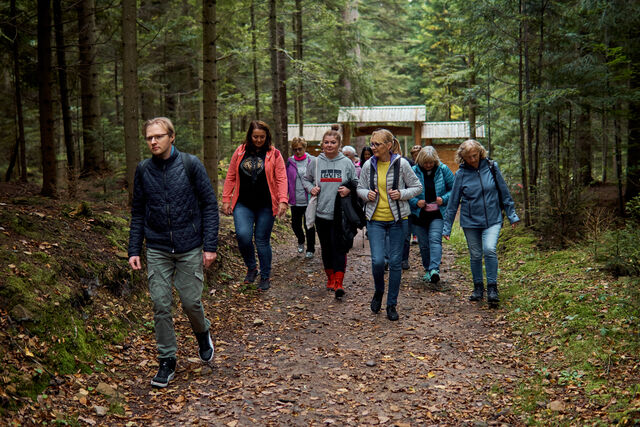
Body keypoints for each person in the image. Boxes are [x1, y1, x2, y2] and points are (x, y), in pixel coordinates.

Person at [128, 117, 219, 388]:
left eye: (158, 136)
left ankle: (202, 332)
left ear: (172, 137)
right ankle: (167, 359)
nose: (153, 141)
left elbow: (209, 206)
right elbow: (138, 212)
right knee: (160, 304)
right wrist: (134, 249)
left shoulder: (191, 164)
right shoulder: (143, 169)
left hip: (189, 246)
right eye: (149, 138)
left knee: (191, 302)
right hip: (156, 248)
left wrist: (210, 245)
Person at [442, 139, 520, 304]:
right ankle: (478, 287)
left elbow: (504, 192)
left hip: (493, 218)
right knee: (476, 255)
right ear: (463, 158)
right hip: (470, 221)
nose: (472, 160)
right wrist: (447, 227)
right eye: (468, 157)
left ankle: (492, 287)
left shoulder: (492, 167)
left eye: (475, 155)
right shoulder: (461, 174)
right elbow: (453, 202)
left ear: (480, 153)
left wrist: (512, 214)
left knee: (489, 249)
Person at [357, 129, 422, 321]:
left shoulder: (401, 164)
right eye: (372, 143)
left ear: (388, 145)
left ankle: (391, 303)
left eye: (377, 144)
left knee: (395, 263)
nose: (372, 147)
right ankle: (378, 291)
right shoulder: (369, 164)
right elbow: (359, 187)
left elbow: (417, 187)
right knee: (377, 261)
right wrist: (366, 194)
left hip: (397, 221)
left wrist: (401, 194)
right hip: (375, 220)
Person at [222, 120, 288, 291]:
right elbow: (230, 176)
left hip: (266, 205)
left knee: (261, 240)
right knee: (243, 236)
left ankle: (265, 276)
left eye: (262, 137)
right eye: (255, 136)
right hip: (243, 203)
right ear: (250, 136)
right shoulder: (240, 151)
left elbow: (281, 178)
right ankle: (252, 267)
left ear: (267, 137)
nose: (258, 140)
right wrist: (226, 199)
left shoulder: (274, 154)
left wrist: (282, 200)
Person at [303, 129, 358, 298]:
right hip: (321, 213)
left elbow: (356, 182)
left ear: (339, 144)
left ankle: (339, 282)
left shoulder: (346, 163)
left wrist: (348, 189)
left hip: (340, 214)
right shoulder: (316, 162)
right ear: (322, 144)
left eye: (333, 142)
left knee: (339, 247)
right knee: (326, 247)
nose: (329, 145)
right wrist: (312, 188)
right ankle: (330, 278)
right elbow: (306, 179)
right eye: (326, 142)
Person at [409, 146, 454, 285]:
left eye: (431, 162)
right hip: (419, 215)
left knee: (435, 240)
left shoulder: (443, 170)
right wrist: (416, 202)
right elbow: (405, 191)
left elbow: (454, 189)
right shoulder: (413, 171)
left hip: (437, 214)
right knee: (423, 245)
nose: (428, 165)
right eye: (425, 163)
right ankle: (428, 268)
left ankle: (434, 269)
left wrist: (444, 199)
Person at [286, 137, 315, 259]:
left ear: (305, 148)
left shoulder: (312, 160)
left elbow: (316, 178)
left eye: (300, 149)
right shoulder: (290, 162)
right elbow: (286, 179)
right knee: (295, 225)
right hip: (295, 199)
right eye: (295, 149)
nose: (297, 151)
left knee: (309, 225)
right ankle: (301, 240)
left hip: (309, 199)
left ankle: (310, 249)